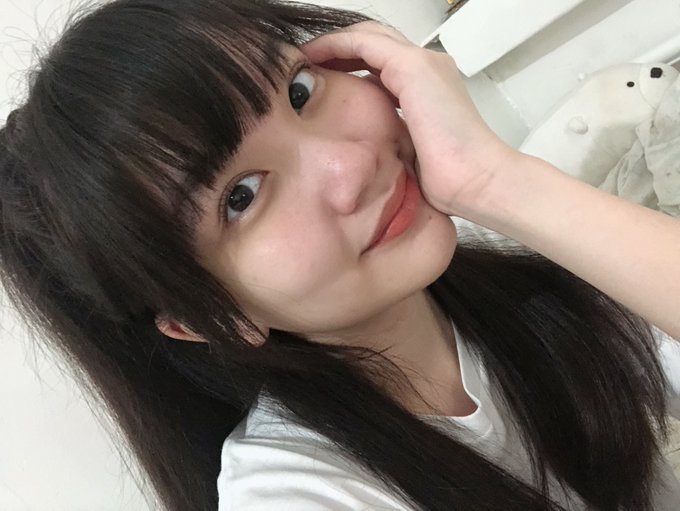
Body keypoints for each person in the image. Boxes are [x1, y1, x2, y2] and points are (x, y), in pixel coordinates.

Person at [1, 0, 678, 509]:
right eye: (240, 197)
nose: (350, 166)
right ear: (202, 319)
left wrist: (499, 183)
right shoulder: (295, 492)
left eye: (300, 91)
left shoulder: (519, 271)